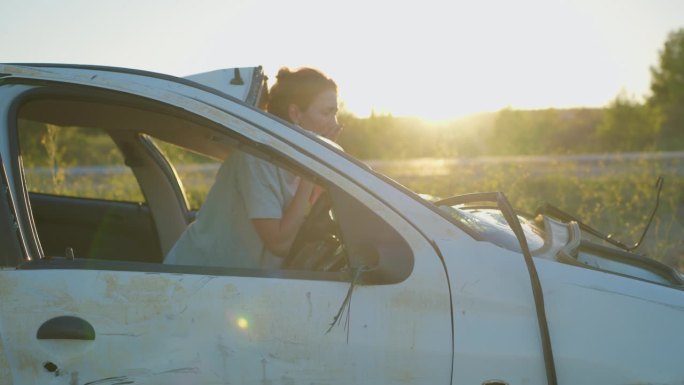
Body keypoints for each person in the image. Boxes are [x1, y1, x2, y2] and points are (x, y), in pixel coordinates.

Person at [164, 67, 342, 269]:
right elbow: (279, 244)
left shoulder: (298, 156)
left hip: (236, 283)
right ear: (296, 114)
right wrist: (313, 169)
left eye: (335, 113)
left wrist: (324, 162)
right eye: (327, 113)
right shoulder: (258, 157)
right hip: (194, 277)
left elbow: (313, 218)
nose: (335, 123)